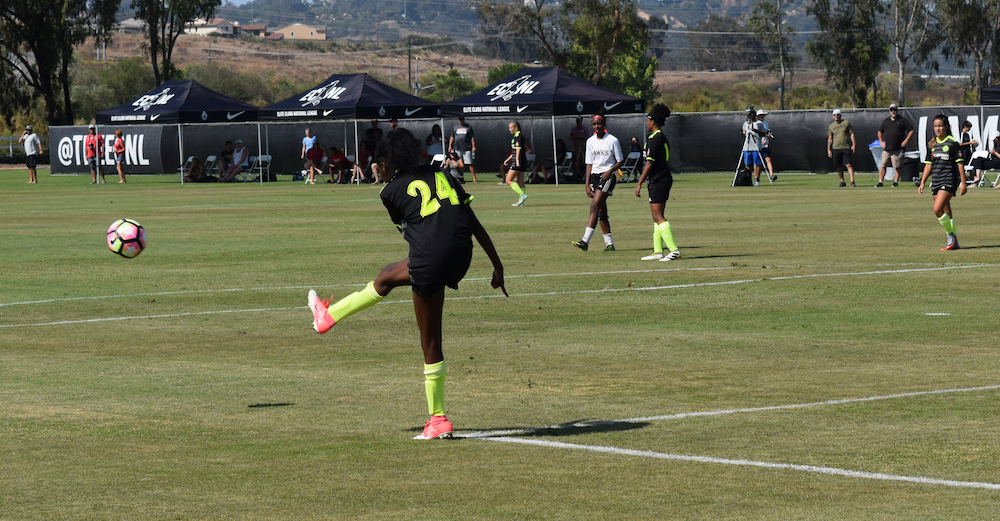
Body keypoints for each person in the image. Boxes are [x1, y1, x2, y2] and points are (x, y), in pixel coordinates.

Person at [306, 128, 507, 440]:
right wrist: (497, 265)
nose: (378, 171)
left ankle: (438, 419)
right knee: (387, 276)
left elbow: (413, 236)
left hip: (432, 257)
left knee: (429, 341)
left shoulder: (390, 192)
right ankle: (327, 317)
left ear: (389, 163)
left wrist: (426, 265)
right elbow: (472, 220)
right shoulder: (442, 174)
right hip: (462, 253)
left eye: (379, 165)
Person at [635, 104, 681, 261]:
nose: (646, 123)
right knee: (656, 216)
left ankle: (673, 249)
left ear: (652, 121)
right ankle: (657, 251)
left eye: (647, 120)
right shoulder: (657, 138)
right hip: (661, 178)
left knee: (658, 215)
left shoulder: (656, 138)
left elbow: (650, 163)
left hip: (659, 179)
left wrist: (639, 182)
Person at [572, 114, 624, 252]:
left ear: (604, 124)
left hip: (608, 177)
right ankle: (609, 244)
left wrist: (610, 171)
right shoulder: (590, 141)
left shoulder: (612, 140)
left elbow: (620, 161)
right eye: (594, 124)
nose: (596, 127)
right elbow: (589, 164)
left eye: (599, 124)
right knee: (601, 211)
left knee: (594, 205)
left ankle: (585, 241)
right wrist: (586, 184)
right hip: (594, 177)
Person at [918, 114, 967, 250]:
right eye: (935, 126)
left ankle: (951, 236)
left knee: (937, 209)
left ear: (946, 127)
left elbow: (960, 164)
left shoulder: (952, 143)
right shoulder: (932, 144)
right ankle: (954, 242)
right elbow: (928, 165)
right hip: (936, 180)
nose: (938, 128)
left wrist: (963, 183)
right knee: (947, 211)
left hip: (949, 180)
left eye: (940, 125)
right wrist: (922, 182)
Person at [876, 103, 915, 187]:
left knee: (897, 165)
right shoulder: (886, 121)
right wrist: (881, 142)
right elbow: (880, 131)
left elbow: (911, 130)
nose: (893, 111)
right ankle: (880, 182)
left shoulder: (902, 120)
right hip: (887, 148)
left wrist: (906, 141)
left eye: (894, 110)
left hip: (898, 148)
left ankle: (896, 182)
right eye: (891, 110)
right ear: (889, 111)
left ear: (897, 111)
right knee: (883, 164)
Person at [828, 109, 856, 187]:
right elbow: (830, 138)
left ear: (840, 115)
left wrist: (854, 144)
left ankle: (852, 181)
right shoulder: (831, 126)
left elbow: (852, 134)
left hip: (846, 147)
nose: (836, 116)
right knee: (839, 166)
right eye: (834, 115)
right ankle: (842, 181)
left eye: (837, 115)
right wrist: (828, 149)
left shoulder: (846, 123)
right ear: (833, 116)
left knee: (848, 164)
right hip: (836, 148)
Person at [503, 121, 529, 206]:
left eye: (511, 128)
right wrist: (508, 159)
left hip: (518, 161)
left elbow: (518, 149)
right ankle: (521, 202)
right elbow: (515, 150)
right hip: (521, 160)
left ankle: (522, 195)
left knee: (508, 180)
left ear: (516, 128)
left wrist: (517, 160)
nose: (509, 129)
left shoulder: (518, 136)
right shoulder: (516, 136)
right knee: (520, 181)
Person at [448, 116, 477, 183]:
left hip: (466, 148)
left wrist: (473, 146)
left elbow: (472, 137)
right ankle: (461, 177)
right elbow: (452, 137)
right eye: (459, 119)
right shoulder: (455, 127)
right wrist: (450, 146)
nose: (460, 120)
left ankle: (474, 178)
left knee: (470, 163)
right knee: (460, 164)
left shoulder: (468, 127)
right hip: (457, 148)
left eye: (462, 119)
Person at [741, 109, 765, 186]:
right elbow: (744, 134)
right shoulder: (745, 124)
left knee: (757, 163)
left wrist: (755, 131)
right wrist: (742, 132)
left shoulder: (759, 124)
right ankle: (749, 180)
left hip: (756, 146)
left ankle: (757, 179)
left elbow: (763, 134)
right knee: (748, 164)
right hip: (747, 147)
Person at [756, 110, 777, 183]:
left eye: (763, 115)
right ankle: (757, 178)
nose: (762, 116)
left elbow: (766, 132)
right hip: (758, 146)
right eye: (761, 115)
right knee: (757, 163)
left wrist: (767, 137)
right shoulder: (756, 124)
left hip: (765, 146)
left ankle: (771, 175)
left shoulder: (766, 124)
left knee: (768, 160)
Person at [569, 116, 590, 181]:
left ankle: (585, 176)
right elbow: (570, 137)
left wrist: (582, 139)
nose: (578, 121)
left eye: (579, 120)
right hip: (575, 149)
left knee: (584, 162)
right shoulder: (573, 129)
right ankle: (576, 176)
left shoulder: (585, 129)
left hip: (584, 149)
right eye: (577, 120)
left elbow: (588, 137)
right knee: (575, 163)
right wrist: (575, 138)